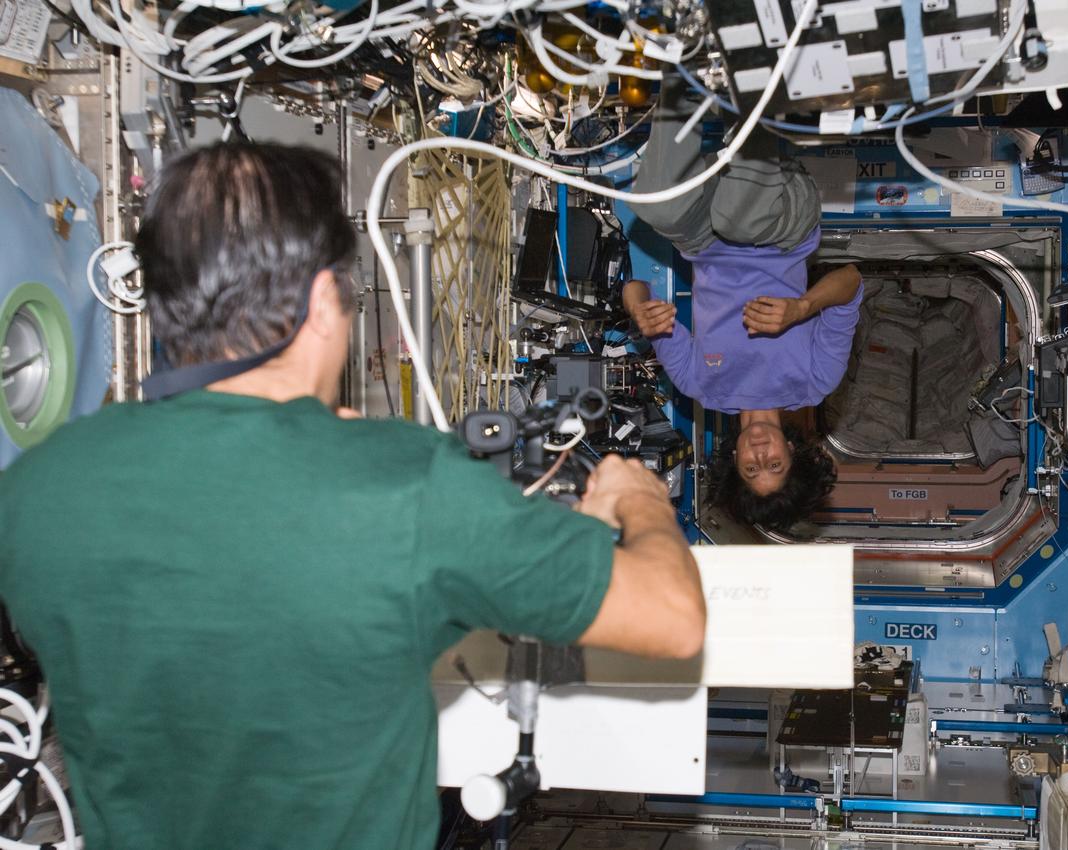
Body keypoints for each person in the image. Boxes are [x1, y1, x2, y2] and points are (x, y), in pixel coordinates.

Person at [0, 143, 705, 850]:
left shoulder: (39, 489)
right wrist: (636, 496)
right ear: (320, 305)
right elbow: (673, 619)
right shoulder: (407, 488)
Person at [623, 76, 864, 532]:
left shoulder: (701, 384)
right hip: (784, 233)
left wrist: (640, 311)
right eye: (774, 465)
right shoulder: (814, 381)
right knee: (738, 217)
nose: (760, 455)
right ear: (792, 452)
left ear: (734, 458)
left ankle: (684, 72)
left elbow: (635, 288)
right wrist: (802, 308)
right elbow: (850, 281)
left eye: (752, 469)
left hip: (702, 243)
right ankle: (759, 76)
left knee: (655, 207)